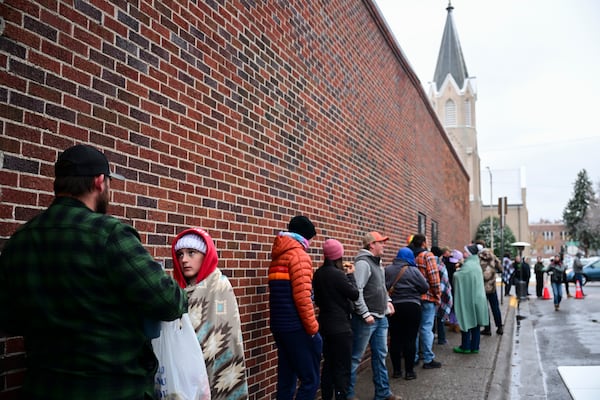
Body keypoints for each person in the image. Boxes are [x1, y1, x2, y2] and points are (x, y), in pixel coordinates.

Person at [0, 144, 187, 400]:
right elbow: (168, 301)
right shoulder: (108, 234)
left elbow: (9, 319)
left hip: (42, 389)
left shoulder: (20, 240)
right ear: (100, 182)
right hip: (111, 389)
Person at [171, 227, 249, 399]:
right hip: (184, 373)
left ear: (205, 255)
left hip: (215, 369)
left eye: (192, 253)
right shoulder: (176, 290)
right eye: (180, 254)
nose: (184, 260)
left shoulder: (219, 286)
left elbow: (227, 338)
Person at [268, 215, 322, 400]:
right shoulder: (299, 256)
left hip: (279, 325)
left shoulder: (278, 255)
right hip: (296, 326)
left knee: (286, 379)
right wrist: (313, 329)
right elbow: (303, 298)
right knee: (310, 380)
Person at [347, 232, 401, 400]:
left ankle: (383, 393)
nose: (384, 245)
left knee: (380, 356)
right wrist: (364, 313)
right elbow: (357, 291)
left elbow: (381, 287)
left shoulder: (378, 263)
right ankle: (347, 395)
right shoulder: (363, 263)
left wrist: (388, 301)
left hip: (380, 317)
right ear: (372, 245)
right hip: (366, 320)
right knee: (355, 357)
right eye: (381, 243)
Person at [313, 239, 359, 400]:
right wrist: (351, 276)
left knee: (328, 367)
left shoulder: (318, 274)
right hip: (341, 328)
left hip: (324, 325)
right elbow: (354, 294)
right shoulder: (338, 275)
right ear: (338, 255)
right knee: (342, 369)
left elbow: (318, 300)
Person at [385, 247, 429, 381]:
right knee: (410, 338)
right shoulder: (414, 270)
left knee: (395, 339)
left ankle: (397, 371)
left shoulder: (388, 269)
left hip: (394, 307)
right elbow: (425, 287)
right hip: (412, 307)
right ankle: (409, 372)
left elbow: (383, 287)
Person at [408, 234, 442, 369]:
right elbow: (434, 277)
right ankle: (428, 359)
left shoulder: (409, 255)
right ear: (423, 243)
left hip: (412, 297)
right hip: (427, 297)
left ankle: (414, 357)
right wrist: (437, 294)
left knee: (415, 329)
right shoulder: (428, 255)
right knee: (427, 329)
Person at [453, 244, 489, 354]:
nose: (463, 254)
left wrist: (456, 272)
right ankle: (475, 347)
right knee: (476, 324)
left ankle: (465, 346)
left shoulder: (469, 265)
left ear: (469, 253)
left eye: (465, 252)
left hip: (470, 298)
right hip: (478, 298)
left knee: (466, 320)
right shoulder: (475, 264)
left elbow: (458, 277)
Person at [431, 246, 453, 345]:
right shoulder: (441, 265)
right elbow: (445, 280)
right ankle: (441, 339)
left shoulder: (428, 263)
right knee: (440, 317)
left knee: (430, 319)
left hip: (429, 295)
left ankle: (430, 339)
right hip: (441, 295)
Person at [479, 248, 503, 335]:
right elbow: (501, 269)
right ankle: (499, 327)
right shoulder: (494, 258)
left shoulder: (479, 259)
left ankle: (487, 328)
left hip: (482, 288)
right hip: (492, 287)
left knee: (485, 309)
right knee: (495, 307)